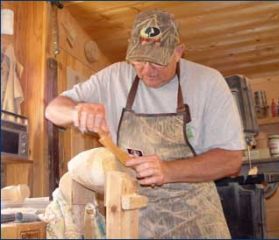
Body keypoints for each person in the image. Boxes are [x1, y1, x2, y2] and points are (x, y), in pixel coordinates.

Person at [45, 9, 244, 239]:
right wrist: (76, 110)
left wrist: (170, 170)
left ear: (178, 52)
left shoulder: (208, 82)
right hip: (133, 219)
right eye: (140, 59)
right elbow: (53, 110)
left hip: (196, 219)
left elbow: (232, 159)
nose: (147, 70)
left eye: (157, 61)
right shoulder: (114, 77)